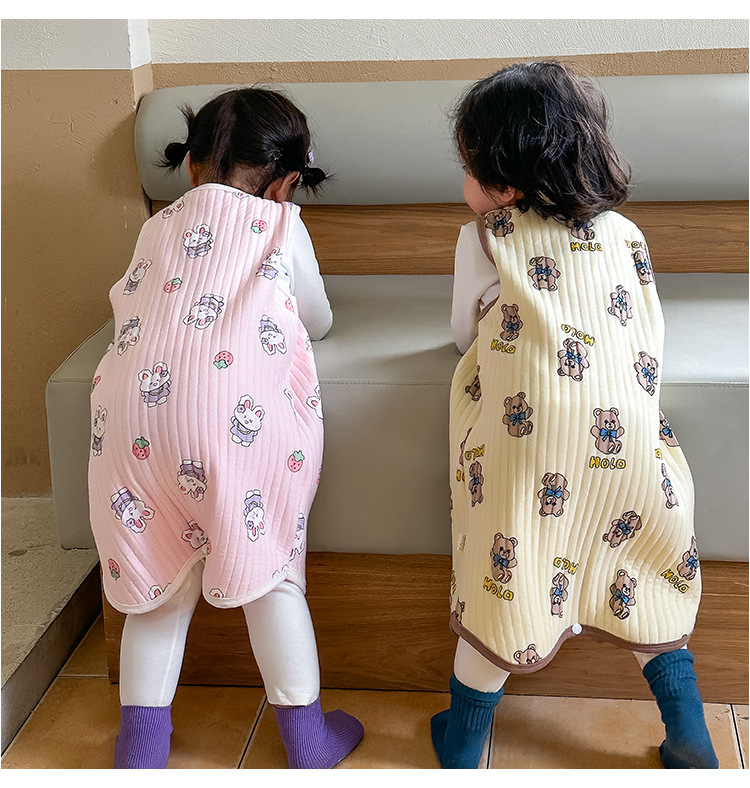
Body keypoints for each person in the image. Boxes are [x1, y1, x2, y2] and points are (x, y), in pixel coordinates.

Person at [431, 61, 718, 770]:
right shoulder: (626, 234)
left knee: (504, 586)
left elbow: (465, 335)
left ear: (503, 181)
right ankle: (690, 734)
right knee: (644, 577)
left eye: (468, 165)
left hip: (527, 454)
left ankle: (462, 744)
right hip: (630, 455)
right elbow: (646, 331)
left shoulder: (485, 236)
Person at [88, 87, 363, 769]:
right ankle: (307, 740)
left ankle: (141, 749)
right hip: (231, 428)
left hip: (129, 423)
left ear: (190, 166)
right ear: (287, 183)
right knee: (271, 575)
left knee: (158, 586)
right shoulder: (280, 225)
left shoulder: (157, 227)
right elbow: (318, 318)